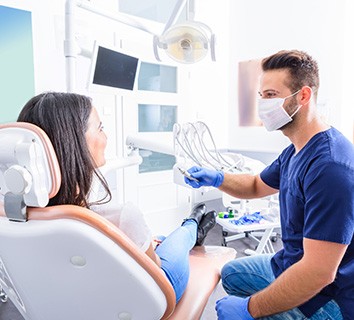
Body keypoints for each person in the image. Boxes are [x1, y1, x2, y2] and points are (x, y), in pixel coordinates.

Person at [184, 50, 354, 319]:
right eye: (261, 96)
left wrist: (250, 309)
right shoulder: (295, 150)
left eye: (271, 95)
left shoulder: (331, 167)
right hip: (291, 262)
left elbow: (319, 272)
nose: (262, 104)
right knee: (231, 274)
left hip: (330, 294)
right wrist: (216, 178)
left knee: (252, 308)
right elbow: (254, 185)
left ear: (304, 96)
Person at [17, 91, 217, 303]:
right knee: (177, 241)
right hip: (147, 301)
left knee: (160, 239)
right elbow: (156, 273)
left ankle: (179, 232)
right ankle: (192, 225)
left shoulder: (18, 217)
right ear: (74, 142)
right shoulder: (121, 216)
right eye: (100, 128)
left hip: (71, 303)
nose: (106, 136)